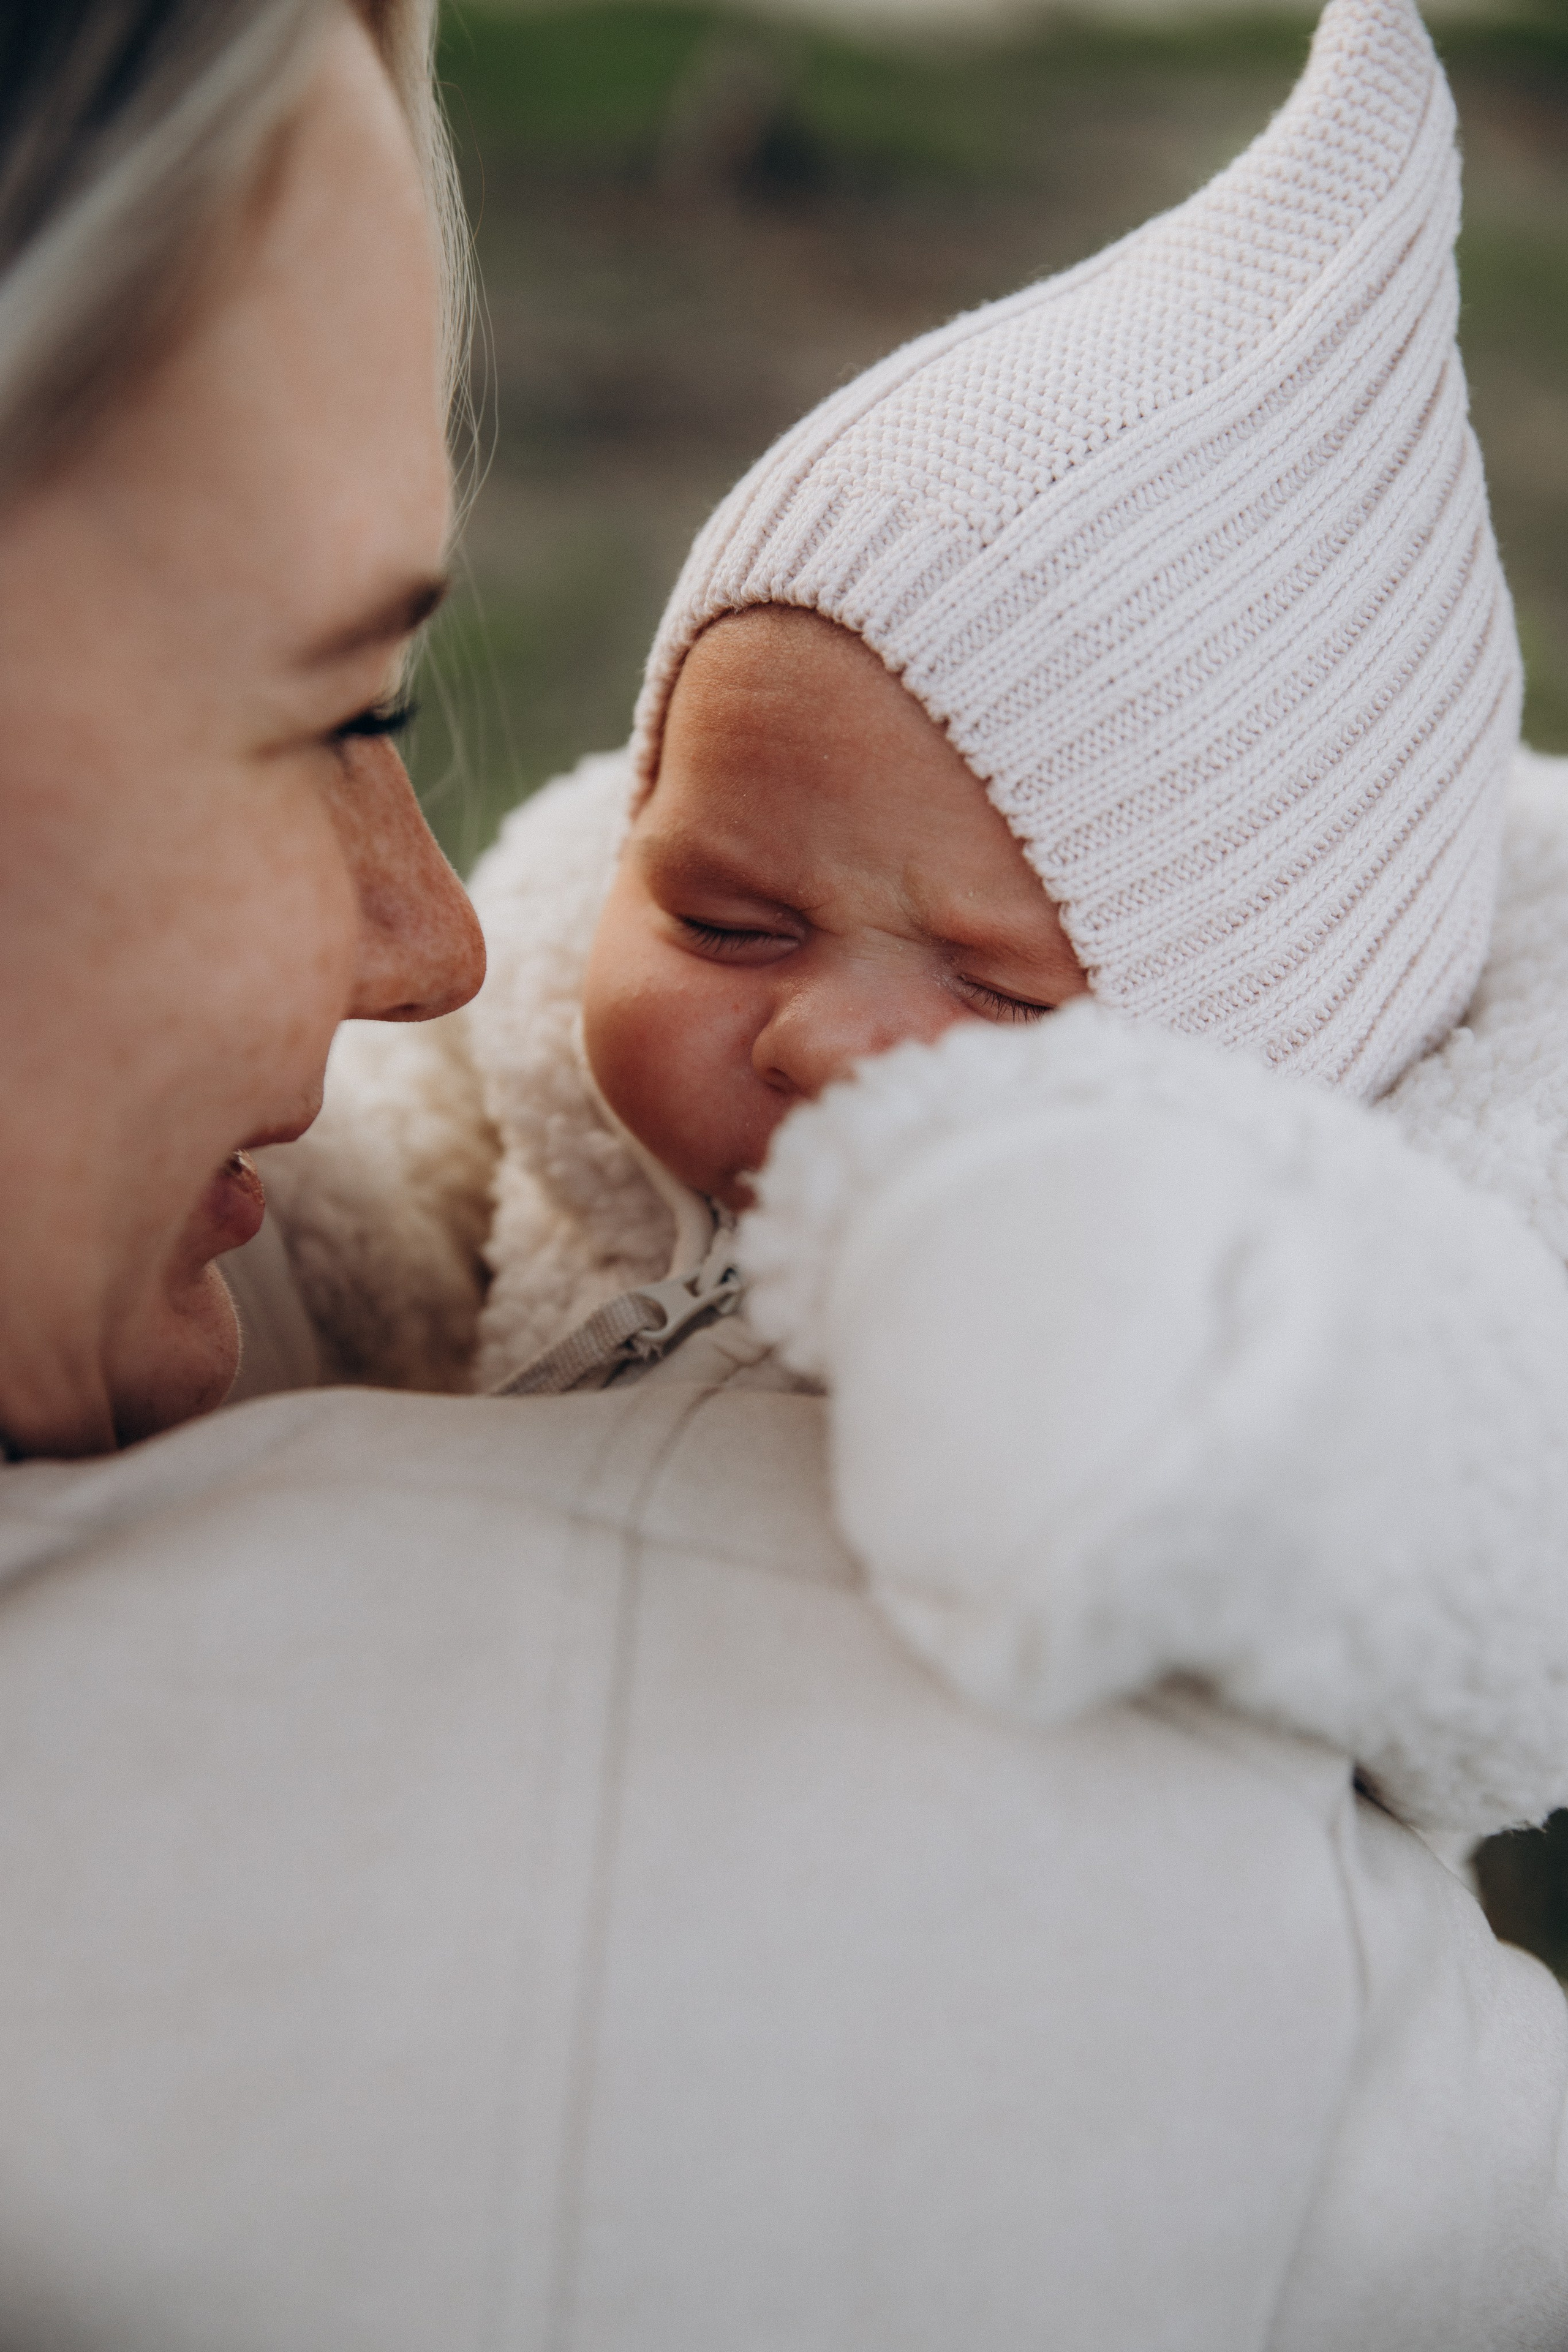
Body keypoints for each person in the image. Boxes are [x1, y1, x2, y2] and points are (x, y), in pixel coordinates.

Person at [6, 10, 1568, 2352]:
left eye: (1010, 997)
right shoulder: (548, 1121)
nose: (819, 1032)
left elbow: (1483, 1532)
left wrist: (1149, 1328)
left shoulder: (1363, 1292)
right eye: (726, 913)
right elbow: (354, 1225)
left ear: (1266, 1075)